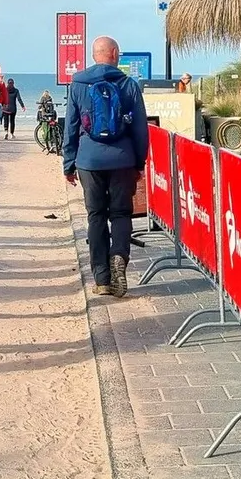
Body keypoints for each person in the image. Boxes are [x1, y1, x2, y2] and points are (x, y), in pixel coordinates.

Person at [62, 36, 149, 298]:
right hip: (122, 159)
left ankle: (101, 279)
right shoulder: (128, 84)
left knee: (95, 216)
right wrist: (139, 161)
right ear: (113, 54)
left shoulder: (77, 84)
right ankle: (119, 256)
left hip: (89, 160)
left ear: (94, 55)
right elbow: (139, 129)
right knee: (121, 214)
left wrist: (68, 163)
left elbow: (71, 127)